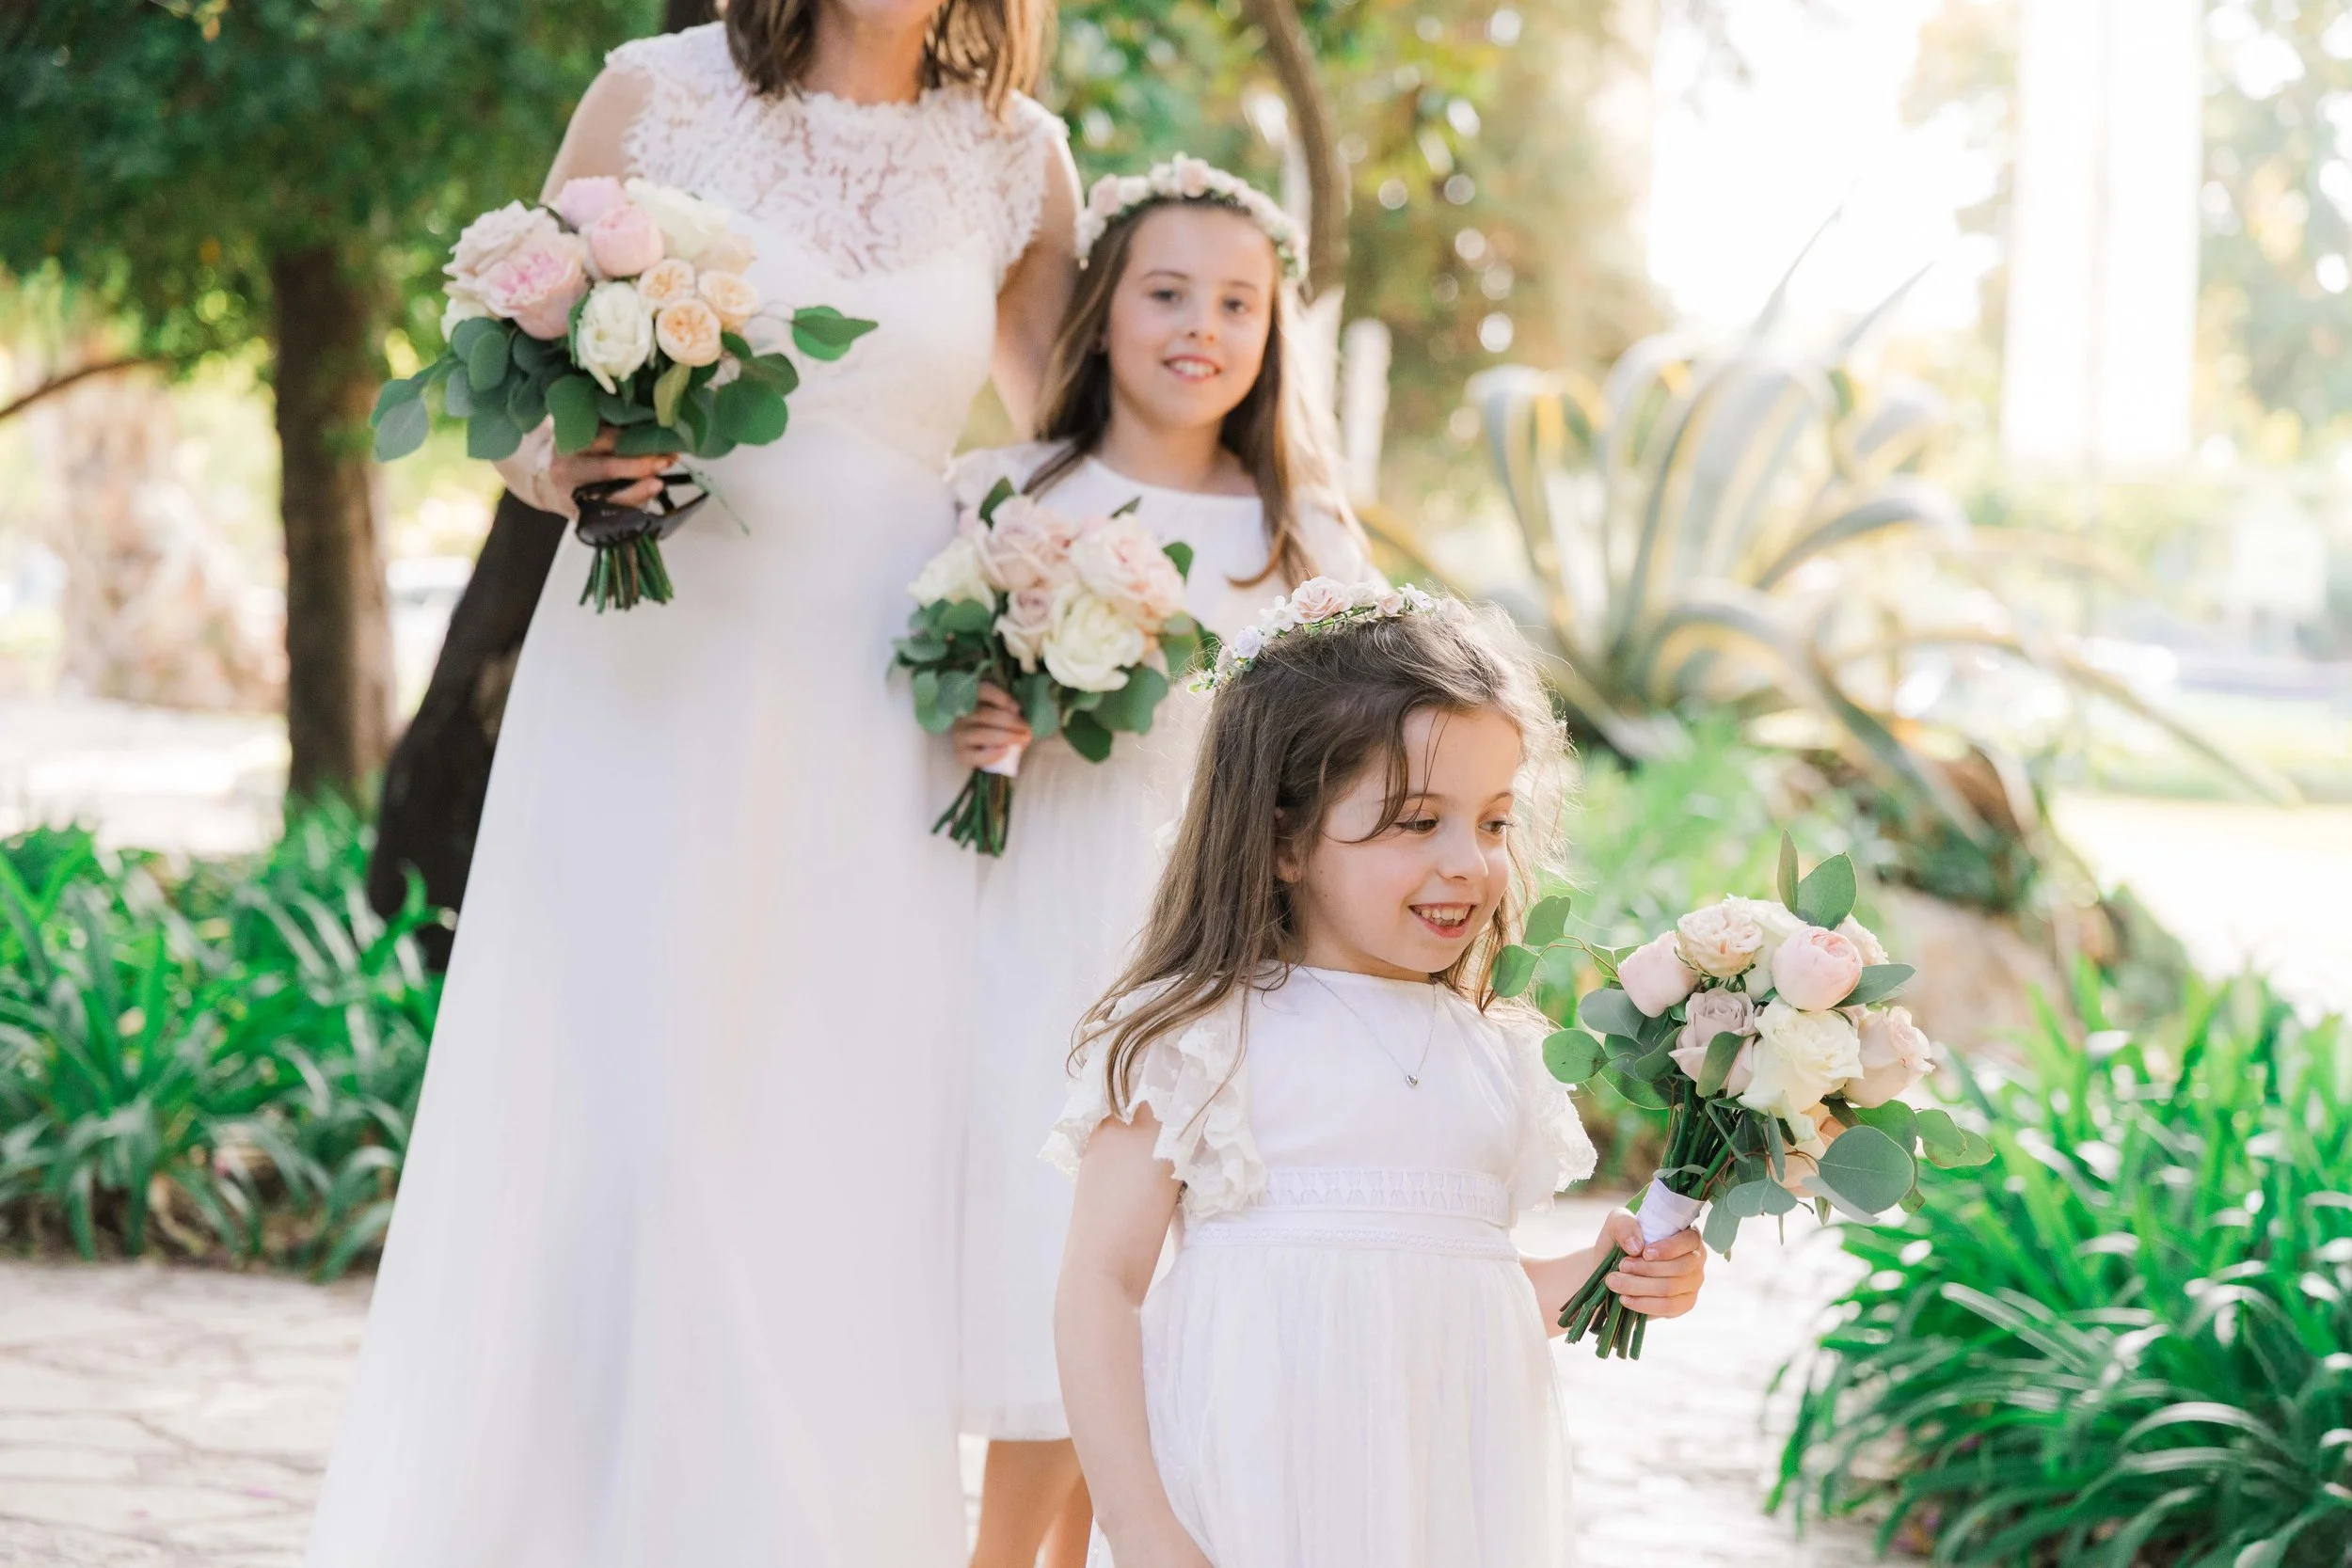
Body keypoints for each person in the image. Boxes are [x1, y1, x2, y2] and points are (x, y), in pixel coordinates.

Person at [302, 3, 1078, 1564]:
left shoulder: (1021, 155)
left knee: (829, 1122)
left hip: (884, 714)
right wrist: (568, 466)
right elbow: (510, 400)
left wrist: (1066, 620)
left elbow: (1074, 443)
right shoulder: (652, 95)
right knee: (634, 1109)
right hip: (654, 687)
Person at [1050, 594, 1711, 1568]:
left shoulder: (1494, 1049)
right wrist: (1143, 1524)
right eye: (1415, 820)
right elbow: (1098, 1285)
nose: (1469, 862)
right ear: (1283, 838)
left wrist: (1605, 1272)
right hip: (1252, 1490)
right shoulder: (1203, 1031)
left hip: (1446, 1494)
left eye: (1491, 821)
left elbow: (1460, 1290)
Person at [944, 159, 1375, 1568]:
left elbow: (1355, 759)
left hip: (1210, 947)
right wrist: (978, 717)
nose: (1201, 324)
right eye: (1167, 290)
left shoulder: (1299, 534)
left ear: (1271, 335)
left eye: (1237, 301)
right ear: (1105, 310)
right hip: (1036, 924)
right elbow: (909, 712)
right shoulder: (1005, 497)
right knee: (1046, 1265)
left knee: (1167, 1290)